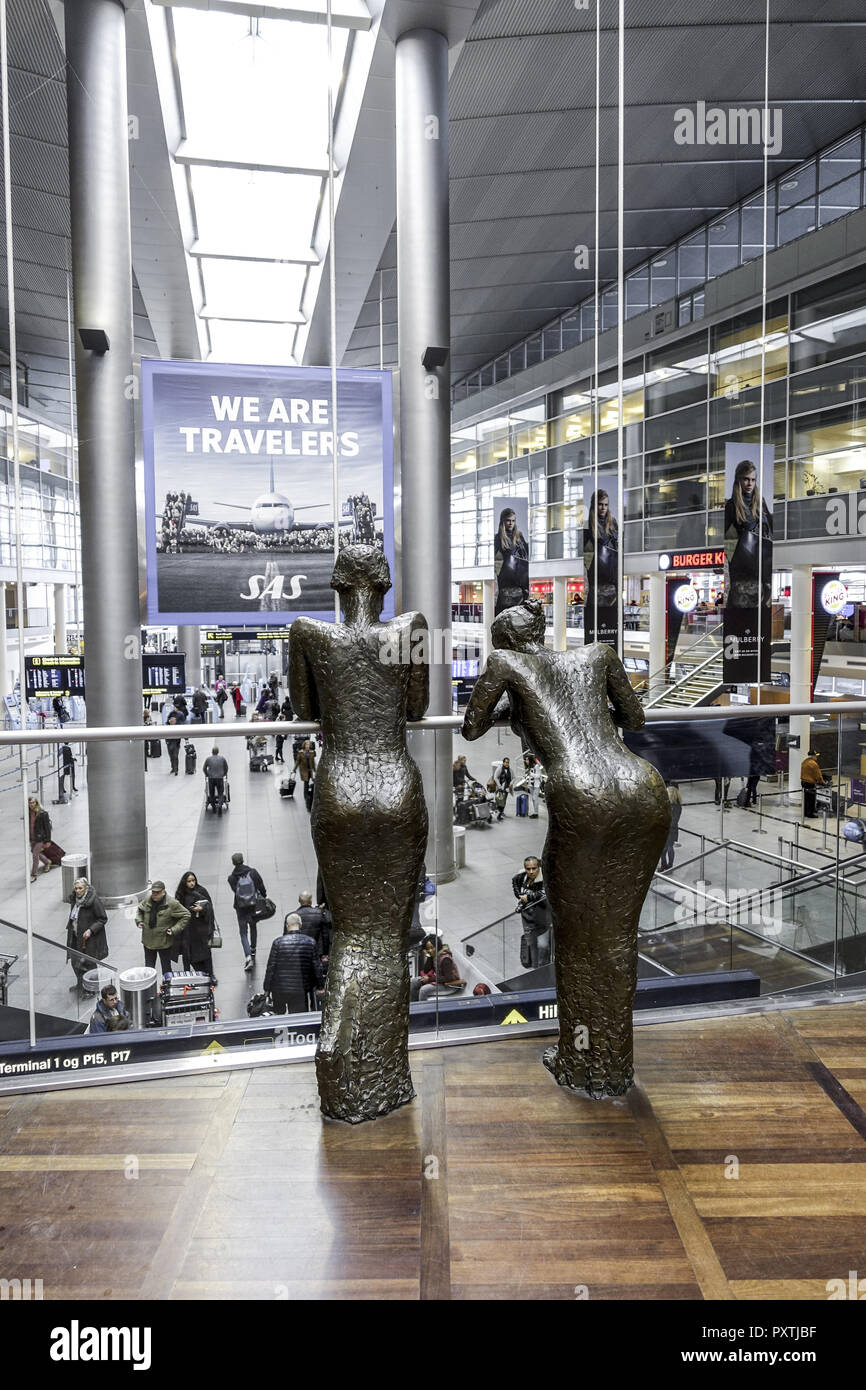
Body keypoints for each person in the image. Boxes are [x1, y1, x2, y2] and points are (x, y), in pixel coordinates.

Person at [463, 598, 670, 1096]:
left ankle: (582, 1062)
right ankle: (615, 1063)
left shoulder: (507, 663)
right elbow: (634, 718)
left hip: (581, 794)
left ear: (506, 642)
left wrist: (519, 710)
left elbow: (472, 725)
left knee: (577, 937)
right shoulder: (597, 655)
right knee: (618, 936)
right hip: (641, 784)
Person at [263, 913, 323, 1015]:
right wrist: (320, 986)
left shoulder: (278, 943)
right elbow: (317, 967)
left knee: (278, 1017)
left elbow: (271, 967)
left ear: (287, 925)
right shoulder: (310, 942)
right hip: (300, 989)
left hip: (279, 989)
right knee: (298, 1019)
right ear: (300, 925)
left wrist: (266, 988)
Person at [135, 880, 189, 976]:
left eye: (158, 892)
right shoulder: (148, 899)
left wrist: (174, 929)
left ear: (163, 892)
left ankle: (167, 987)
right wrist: (139, 920)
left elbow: (186, 915)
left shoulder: (172, 903)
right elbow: (140, 909)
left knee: (166, 968)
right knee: (148, 968)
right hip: (148, 941)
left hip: (164, 942)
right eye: (153, 892)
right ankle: (149, 989)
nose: (155, 895)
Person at [66, 877, 109, 991]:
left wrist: (91, 930)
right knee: (75, 962)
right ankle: (81, 984)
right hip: (75, 937)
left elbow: (102, 918)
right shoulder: (74, 900)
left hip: (89, 940)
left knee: (89, 964)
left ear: (86, 888)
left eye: (80, 888)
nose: (78, 891)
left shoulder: (94, 901)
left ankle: (92, 989)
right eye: (76, 888)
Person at [173, 870, 216, 982]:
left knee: (205, 953)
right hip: (187, 930)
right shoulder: (181, 894)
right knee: (189, 955)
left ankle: (210, 974)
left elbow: (209, 907)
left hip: (200, 929)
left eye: (193, 880)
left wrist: (202, 909)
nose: (192, 883)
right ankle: (193, 975)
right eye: (189, 881)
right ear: (184, 882)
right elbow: (177, 910)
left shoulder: (201, 891)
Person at [227, 850, 267, 971]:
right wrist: (263, 896)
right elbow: (261, 885)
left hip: (240, 907)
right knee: (253, 926)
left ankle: (248, 956)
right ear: (243, 860)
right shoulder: (253, 872)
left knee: (243, 932)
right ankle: (253, 948)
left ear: (233, 863)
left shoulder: (231, 878)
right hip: (253, 905)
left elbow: (236, 891)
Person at [512, 855, 551, 968]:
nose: (531, 871)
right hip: (528, 919)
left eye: (534, 868)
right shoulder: (519, 878)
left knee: (543, 945)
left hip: (542, 918)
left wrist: (528, 898)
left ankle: (543, 966)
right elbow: (517, 893)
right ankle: (536, 967)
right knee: (532, 945)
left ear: (538, 868)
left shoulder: (543, 881)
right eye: (528, 869)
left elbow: (543, 894)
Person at [494, 506, 529, 616]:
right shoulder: (498, 538)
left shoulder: (519, 536)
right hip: (507, 577)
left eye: (513, 521)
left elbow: (526, 553)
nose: (510, 523)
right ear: (503, 521)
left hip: (521, 575)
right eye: (508, 520)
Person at [296, 890, 330, 965]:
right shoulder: (319, 913)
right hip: (316, 951)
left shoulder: (293, 916)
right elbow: (325, 935)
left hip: (300, 952)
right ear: (311, 901)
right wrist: (325, 953)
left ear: (299, 901)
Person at [28, 796, 53, 881]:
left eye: (33, 802)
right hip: (32, 837)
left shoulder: (42, 813)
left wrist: (48, 840)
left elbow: (47, 828)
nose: (31, 804)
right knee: (35, 852)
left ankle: (33, 874)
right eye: (30, 803)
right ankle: (47, 862)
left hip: (40, 838)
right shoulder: (28, 813)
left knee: (35, 855)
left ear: (36, 803)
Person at [660, 783, 682, 871]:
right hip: (664, 829)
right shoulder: (667, 804)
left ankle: (669, 865)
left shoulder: (677, 806)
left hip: (671, 830)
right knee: (663, 849)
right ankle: (663, 864)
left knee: (669, 847)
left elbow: (674, 821)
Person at [801, 749, 829, 818]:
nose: (816, 757)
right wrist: (823, 783)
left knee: (806, 799)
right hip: (810, 783)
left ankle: (805, 812)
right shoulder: (813, 764)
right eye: (815, 756)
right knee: (811, 799)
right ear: (812, 756)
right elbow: (818, 775)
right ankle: (810, 814)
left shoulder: (804, 762)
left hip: (803, 782)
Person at [292, 738, 317, 812]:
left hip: (311, 770)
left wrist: (315, 770)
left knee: (314, 783)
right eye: (306, 745)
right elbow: (297, 762)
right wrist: (294, 769)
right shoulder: (300, 753)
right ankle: (306, 797)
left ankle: (312, 796)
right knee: (306, 783)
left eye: (309, 745)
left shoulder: (313, 752)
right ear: (304, 745)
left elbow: (313, 762)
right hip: (304, 770)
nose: (307, 746)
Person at [202, 745, 229, 813]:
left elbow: (204, 768)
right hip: (220, 778)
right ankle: (220, 805)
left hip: (211, 778)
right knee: (220, 792)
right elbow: (226, 767)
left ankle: (213, 807)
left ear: (212, 752)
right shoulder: (222, 758)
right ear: (218, 752)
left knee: (211, 793)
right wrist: (224, 774)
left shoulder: (208, 759)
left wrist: (207, 774)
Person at [164, 706, 185, 775]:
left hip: (176, 743)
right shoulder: (167, 727)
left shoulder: (177, 728)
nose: (173, 722)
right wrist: (166, 742)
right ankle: (173, 768)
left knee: (175, 756)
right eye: (171, 721)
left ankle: (176, 770)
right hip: (169, 743)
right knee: (171, 757)